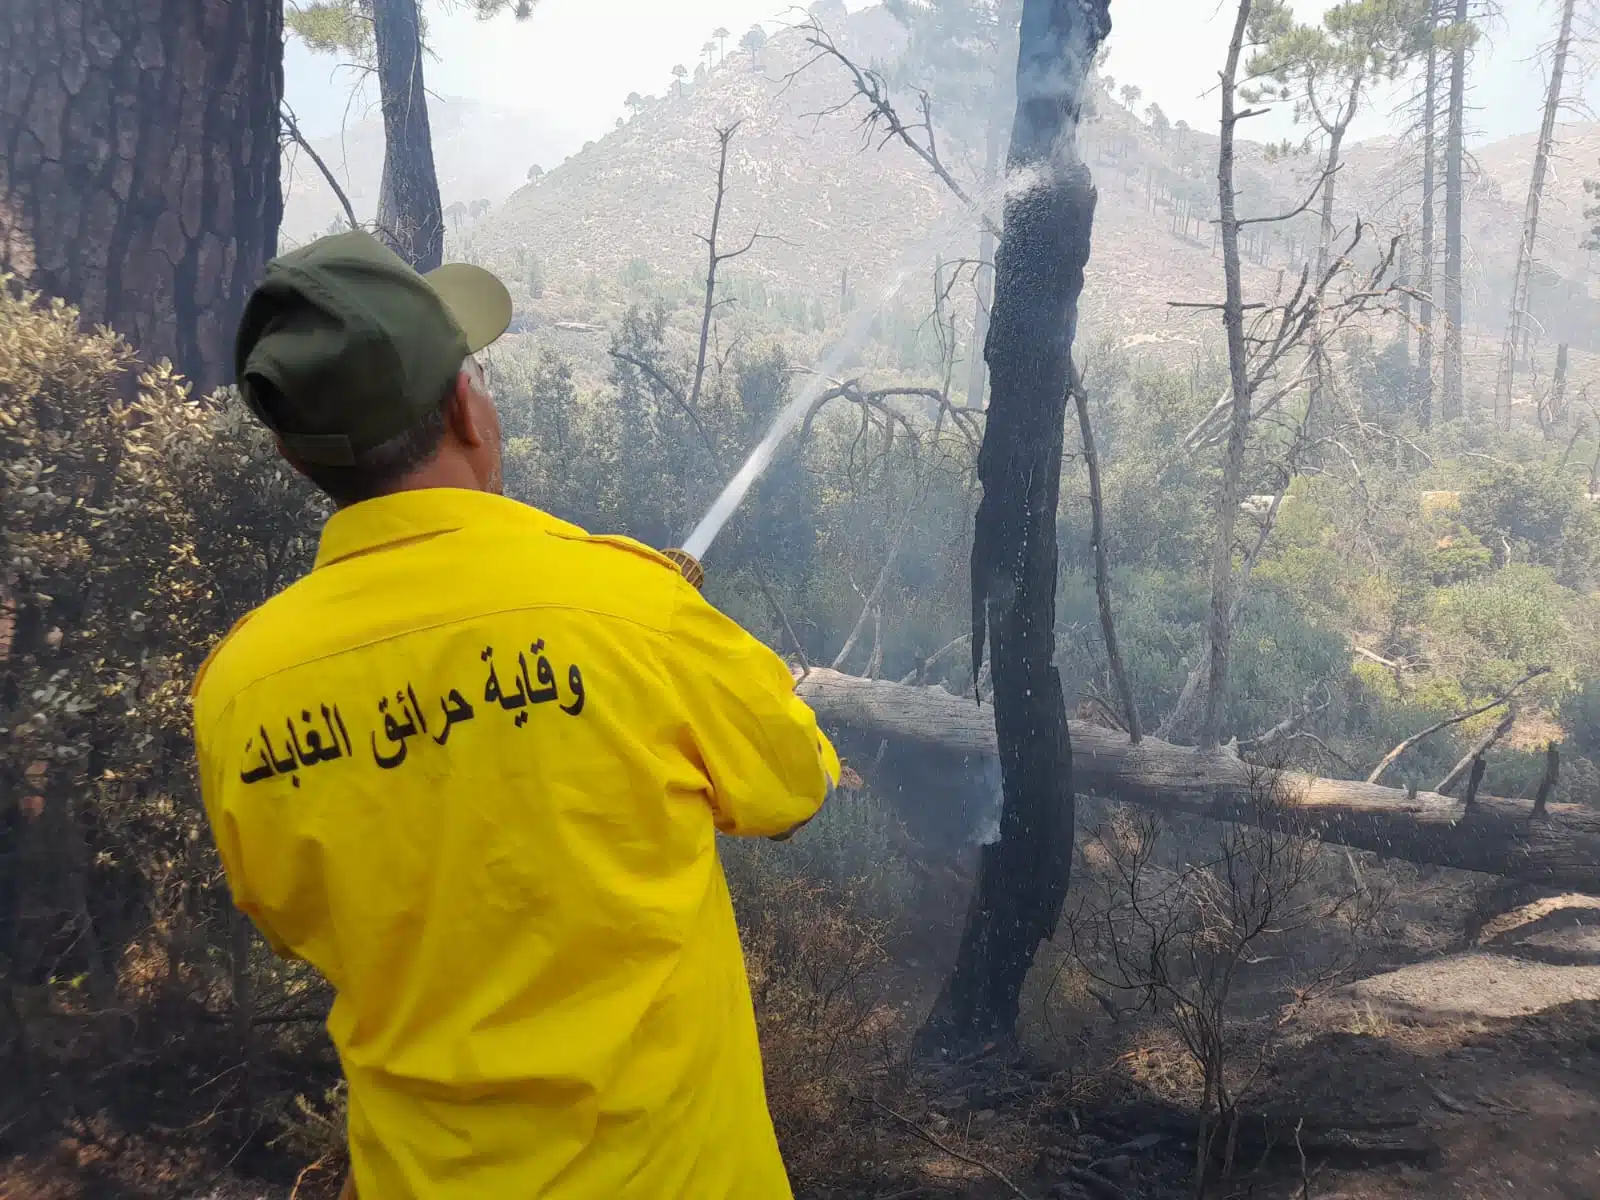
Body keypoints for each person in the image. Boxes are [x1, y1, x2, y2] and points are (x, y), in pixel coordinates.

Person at [191, 231, 840, 1199]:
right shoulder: (633, 611)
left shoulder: (237, 693)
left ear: (293, 455)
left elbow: (292, 919)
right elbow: (795, 785)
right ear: (466, 407)